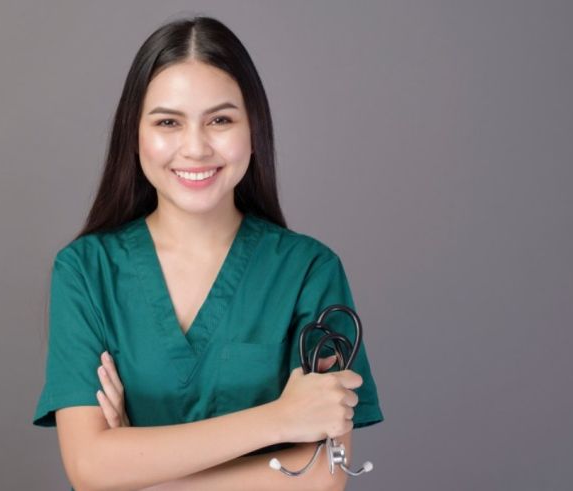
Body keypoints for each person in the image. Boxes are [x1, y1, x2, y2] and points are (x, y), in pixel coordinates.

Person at [32, 15, 384, 490]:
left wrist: (136, 472)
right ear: (134, 133)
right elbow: (90, 466)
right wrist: (280, 419)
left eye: (220, 120)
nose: (195, 147)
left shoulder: (308, 272)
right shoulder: (85, 272)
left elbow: (320, 478)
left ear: (253, 128)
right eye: (168, 122)